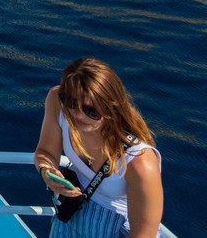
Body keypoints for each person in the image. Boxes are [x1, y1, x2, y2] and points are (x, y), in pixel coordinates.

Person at [33, 57, 163, 238]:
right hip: (71, 215)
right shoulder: (58, 102)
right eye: (71, 102)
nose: (78, 114)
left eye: (91, 110)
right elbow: (45, 152)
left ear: (112, 107)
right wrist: (47, 171)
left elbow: (143, 235)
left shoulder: (141, 163)